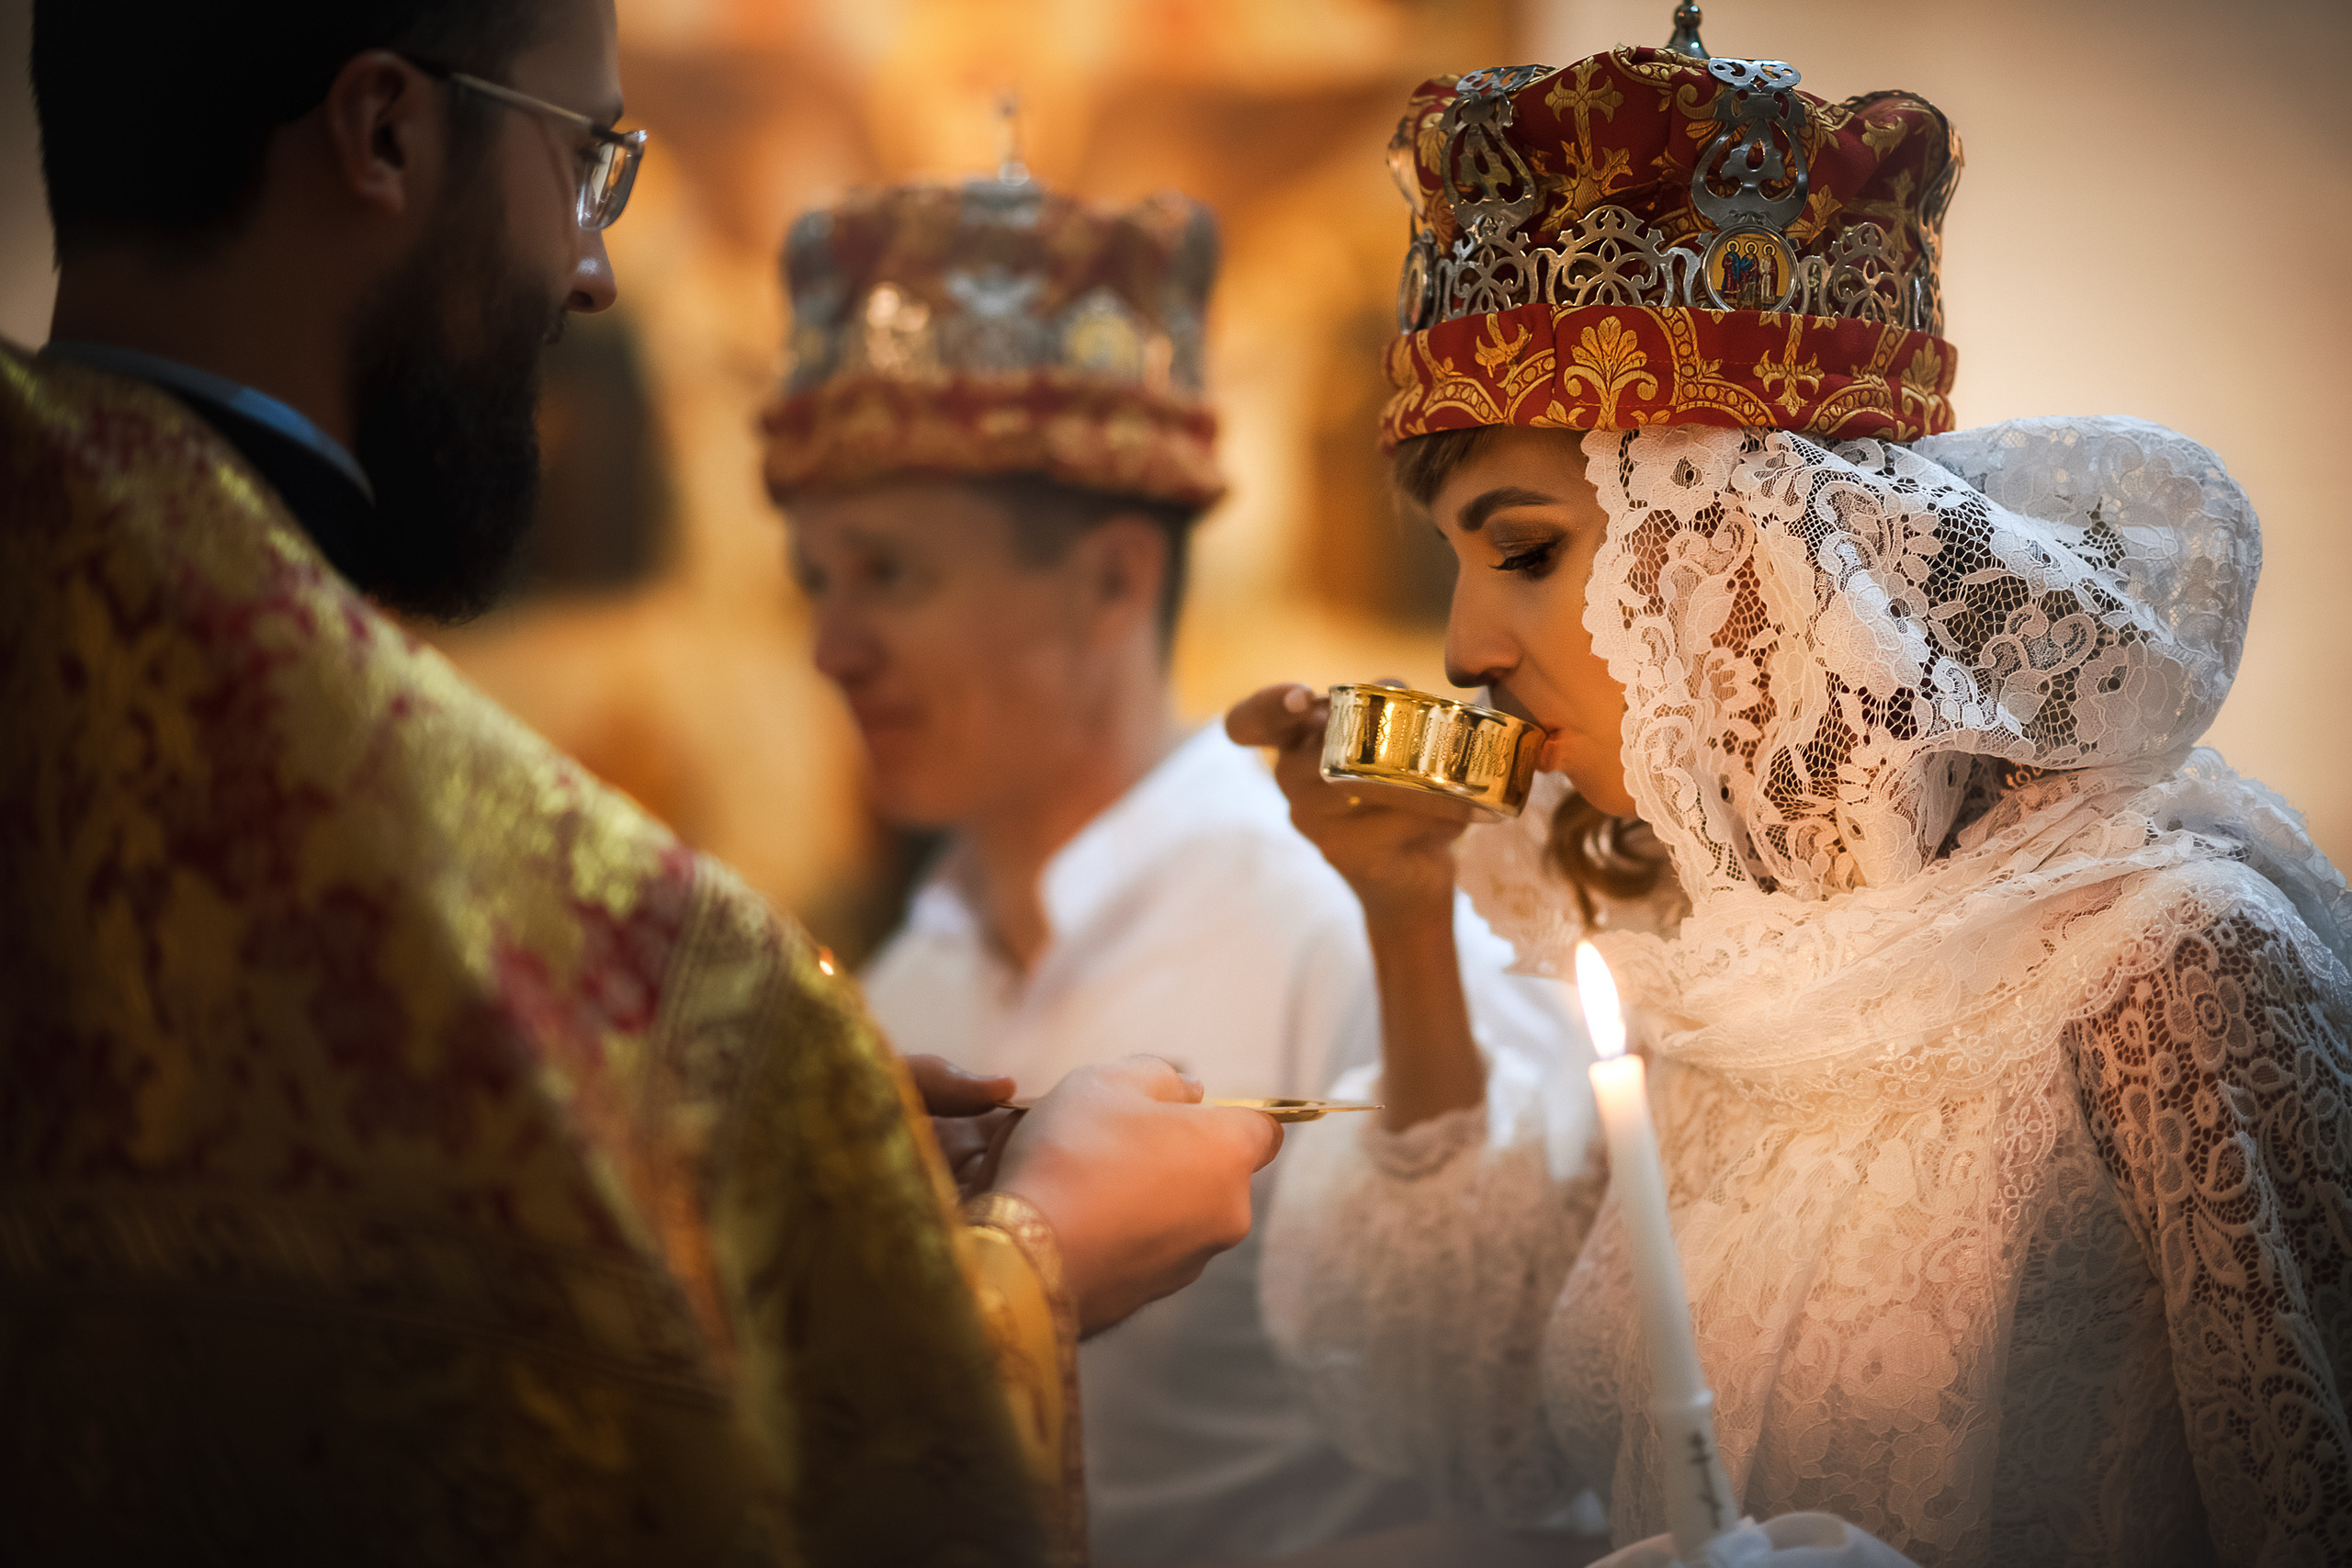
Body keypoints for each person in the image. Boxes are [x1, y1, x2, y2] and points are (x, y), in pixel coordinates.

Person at [0, 3, 1282, 1562]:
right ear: (385, 133)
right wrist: (1021, 1266)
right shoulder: (701, 986)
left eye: (889, 572)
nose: (595, 271)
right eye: (584, 161)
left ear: (1109, 579)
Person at [1231, 28, 2352, 1568]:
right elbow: (1476, 1422)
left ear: (1739, 548)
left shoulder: (2168, 968)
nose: (1464, 649)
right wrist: (1407, 917)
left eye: (1529, 549)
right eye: (1460, 564)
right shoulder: (1695, 945)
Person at [760, 175, 1593, 1564]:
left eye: (888, 576)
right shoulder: (903, 982)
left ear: (1111, 580)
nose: (831, 649)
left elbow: (1535, 1421)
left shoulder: (1346, 902)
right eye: (818, 582)